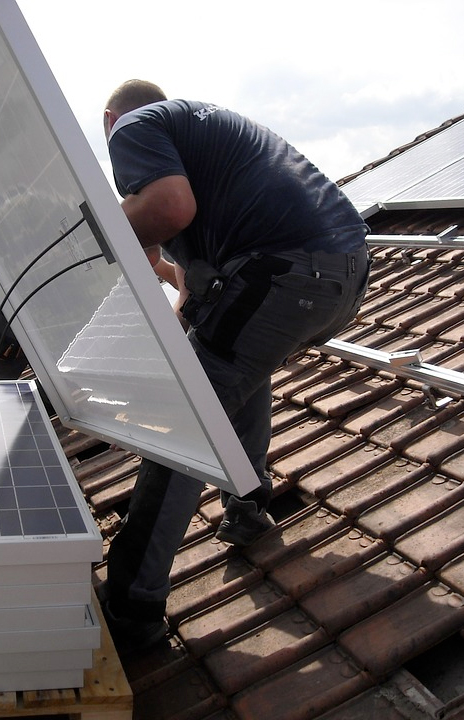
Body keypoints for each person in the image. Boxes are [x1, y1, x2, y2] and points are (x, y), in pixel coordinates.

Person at [101, 79, 370, 649]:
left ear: (110, 120)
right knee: (232, 367)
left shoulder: (134, 127)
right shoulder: (203, 140)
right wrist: (176, 309)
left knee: (188, 416)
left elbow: (167, 207)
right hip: (340, 276)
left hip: (287, 272)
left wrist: (95, 230)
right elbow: (195, 283)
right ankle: (247, 513)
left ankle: (130, 608)